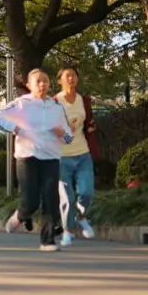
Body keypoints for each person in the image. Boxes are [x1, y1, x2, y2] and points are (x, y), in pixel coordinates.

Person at [0, 68, 71, 251]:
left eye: (46, 81)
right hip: (28, 156)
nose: (42, 84)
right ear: (29, 85)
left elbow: (68, 137)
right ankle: (20, 215)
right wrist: (15, 128)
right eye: (38, 81)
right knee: (31, 200)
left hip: (51, 157)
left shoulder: (57, 107)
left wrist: (62, 133)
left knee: (51, 198)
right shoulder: (21, 103)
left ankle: (47, 241)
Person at [56, 66, 98, 245]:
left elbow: (88, 121)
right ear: (60, 81)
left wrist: (90, 127)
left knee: (87, 192)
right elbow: (49, 127)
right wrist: (64, 129)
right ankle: (67, 230)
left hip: (83, 154)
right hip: (62, 156)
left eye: (74, 75)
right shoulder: (54, 102)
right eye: (67, 76)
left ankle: (81, 217)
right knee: (67, 197)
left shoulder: (84, 100)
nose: (71, 79)